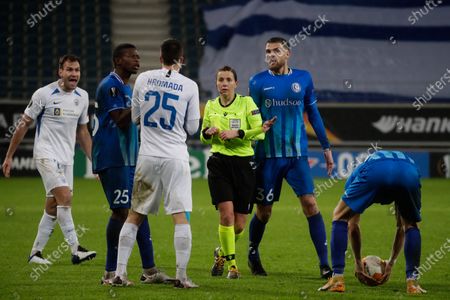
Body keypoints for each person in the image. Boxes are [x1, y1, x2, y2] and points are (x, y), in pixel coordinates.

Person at [112, 38, 200, 288]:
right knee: (180, 216)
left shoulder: (144, 79)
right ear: (181, 60)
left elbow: (136, 118)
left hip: (148, 156)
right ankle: (182, 277)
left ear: (160, 57)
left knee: (134, 215)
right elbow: (193, 128)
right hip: (175, 157)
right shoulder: (189, 86)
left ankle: (119, 274)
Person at [247, 37, 334, 278]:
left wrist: (326, 147)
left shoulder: (303, 78)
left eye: (276, 51)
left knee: (311, 204)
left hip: (297, 157)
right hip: (267, 157)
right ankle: (253, 253)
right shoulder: (257, 82)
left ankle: (324, 264)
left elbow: (313, 114)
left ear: (288, 54)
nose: (270, 55)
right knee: (264, 212)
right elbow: (251, 119)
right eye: (267, 51)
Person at [2, 54, 96, 265]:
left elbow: (83, 132)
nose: (74, 74)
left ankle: (35, 253)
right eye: (69, 70)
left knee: (53, 208)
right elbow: (23, 124)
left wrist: (94, 162)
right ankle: (76, 249)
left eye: (77, 70)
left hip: (67, 159)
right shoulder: (44, 94)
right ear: (60, 72)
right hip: (46, 154)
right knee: (66, 199)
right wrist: (8, 156)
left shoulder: (82, 97)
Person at [92, 43, 171, 285]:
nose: (137, 60)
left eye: (138, 56)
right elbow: (121, 121)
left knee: (139, 210)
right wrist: (143, 102)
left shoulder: (126, 87)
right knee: (121, 211)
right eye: (131, 56)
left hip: (129, 159)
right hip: (113, 157)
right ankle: (110, 273)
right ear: (118, 60)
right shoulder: (111, 85)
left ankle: (149, 269)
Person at [200, 66, 276, 279]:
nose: (224, 83)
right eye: (220, 80)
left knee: (240, 224)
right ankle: (232, 266)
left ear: (236, 83)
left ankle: (221, 253)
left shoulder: (247, 103)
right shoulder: (211, 106)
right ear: (216, 83)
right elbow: (203, 136)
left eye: (228, 80)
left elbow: (260, 132)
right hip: (219, 164)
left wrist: (238, 132)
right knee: (226, 215)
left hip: (244, 166)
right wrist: (208, 132)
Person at [319, 150, 426, 295]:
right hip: (409, 172)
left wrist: (358, 263)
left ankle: (337, 279)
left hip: (376, 171)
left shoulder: (358, 171)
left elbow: (353, 226)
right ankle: (412, 283)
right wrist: (390, 263)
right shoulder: (404, 163)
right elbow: (402, 228)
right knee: (411, 225)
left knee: (339, 216)